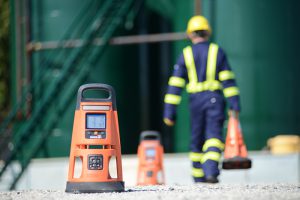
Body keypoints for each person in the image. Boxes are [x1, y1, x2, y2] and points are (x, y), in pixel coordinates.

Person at [163, 15, 241, 183]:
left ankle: (198, 179)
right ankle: (211, 172)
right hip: (214, 99)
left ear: (190, 34)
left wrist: (169, 111)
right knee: (213, 135)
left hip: (195, 101)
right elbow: (228, 80)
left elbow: (175, 84)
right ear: (208, 33)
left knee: (196, 139)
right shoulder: (217, 51)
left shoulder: (185, 54)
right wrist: (234, 105)